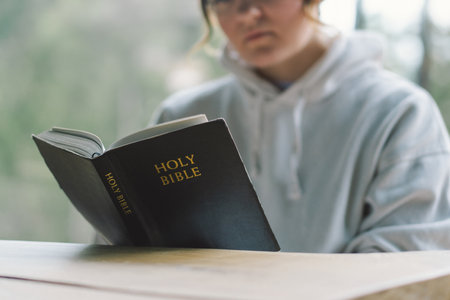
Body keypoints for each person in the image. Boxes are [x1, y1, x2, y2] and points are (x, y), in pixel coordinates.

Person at [151, 0, 450, 252]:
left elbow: (403, 263)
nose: (247, 13)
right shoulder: (182, 117)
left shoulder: (400, 113)